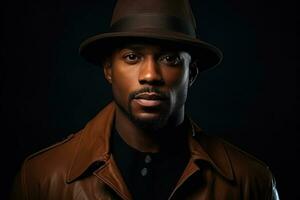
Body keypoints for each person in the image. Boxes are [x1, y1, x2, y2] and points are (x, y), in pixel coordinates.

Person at [11, 0, 279, 199]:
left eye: (169, 58)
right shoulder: (42, 178)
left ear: (192, 73)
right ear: (108, 70)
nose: (150, 75)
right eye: (132, 57)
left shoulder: (250, 182)